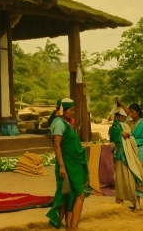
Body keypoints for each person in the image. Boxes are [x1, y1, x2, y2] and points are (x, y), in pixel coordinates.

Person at [46, 98, 88, 231]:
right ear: (63, 110)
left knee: (70, 196)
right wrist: (62, 166)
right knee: (79, 195)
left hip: (73, 164)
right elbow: (57, 145)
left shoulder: (65, 122)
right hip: (67, 164)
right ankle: (73, 227)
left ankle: (70, 226)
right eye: (71, 110)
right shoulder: (59, 123)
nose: (73, 113)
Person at [116, 99, 143, 210]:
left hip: (141, 153)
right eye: (130, 112)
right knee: (132, 178)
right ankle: (136, 204)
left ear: (138, 112)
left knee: (138, 178)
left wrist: (132, 140)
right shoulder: (129, 123)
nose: (131, 114)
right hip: (131, 152)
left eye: (133, 112)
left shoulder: (142, 123)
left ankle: (137, 205)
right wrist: (120, 104)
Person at [108, 105, 143, 210]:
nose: (125, 118)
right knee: (120, 180)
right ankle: (119, 203)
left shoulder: (124, 125)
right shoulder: (115, 128)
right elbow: (115, 136)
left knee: (130, 180)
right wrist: (121, 134)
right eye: (123, 117)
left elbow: (128, 136)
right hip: (121, 158)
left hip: (129, 158)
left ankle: (133, 202)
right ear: (119, 116)